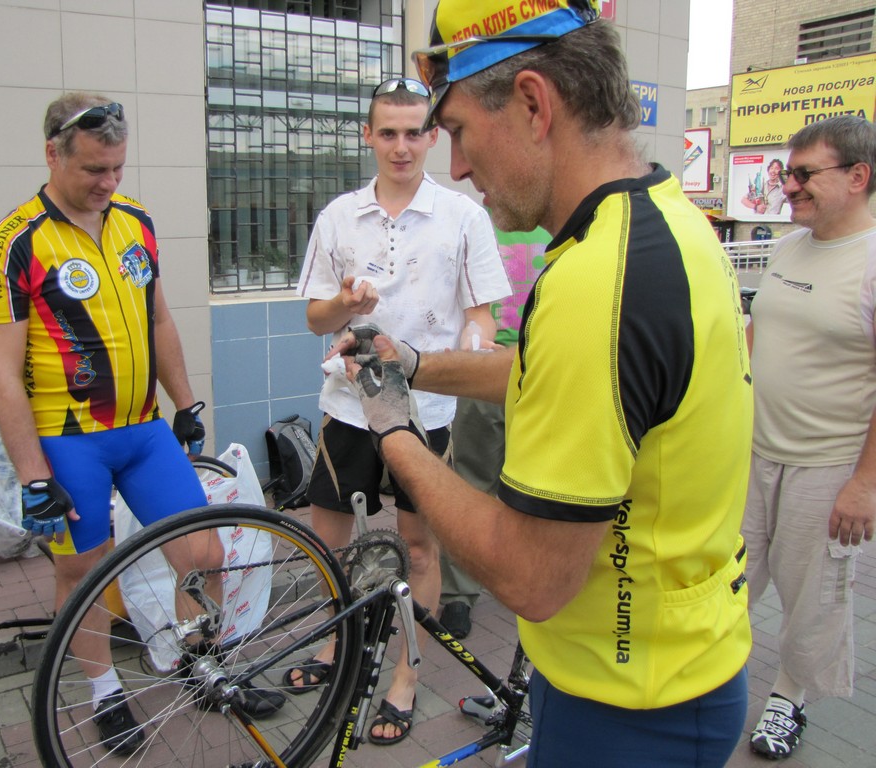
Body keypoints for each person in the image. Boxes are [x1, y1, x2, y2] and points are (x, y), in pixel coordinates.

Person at [333, 3, 754, 766]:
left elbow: (531, 577)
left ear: (533, 104)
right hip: (660, 669)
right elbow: (556, 374)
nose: (456, 167)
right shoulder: (662, 220)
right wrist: (415, 364)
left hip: (631, 707)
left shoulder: (599, 281)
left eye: (458, 130)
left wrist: (394, 432)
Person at [0, 92, 282, 757]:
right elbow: (0, 374)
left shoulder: (135, 221)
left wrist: (186, 403)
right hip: (68, 441)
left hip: (143, 432)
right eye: (94, 169)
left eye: (117, 168)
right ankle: (105, 692)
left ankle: (203, 668)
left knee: (204, 554)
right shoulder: (13, 244)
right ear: (53, 154)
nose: (109, 183)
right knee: (83, 573)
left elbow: (159, 318)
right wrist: (32, 476)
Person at [292, 77, 511, 744]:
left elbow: (481, 315)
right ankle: (334, 642)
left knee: (419, 546)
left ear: (433, 136)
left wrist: (474, 346)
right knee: (330, 543)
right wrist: (345, 305)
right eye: (387, 132)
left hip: (426, 406)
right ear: (368, 135)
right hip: (350, 402)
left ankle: (406, 676)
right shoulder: (339, 216)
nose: (401, 146)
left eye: (415, 132)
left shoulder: (463, 217)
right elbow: (315, 317)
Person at [741, 115, 876, 760]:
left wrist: (865, 483)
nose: (788, 186)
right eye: (786, 173)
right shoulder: (788, 248)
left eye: (803, 174)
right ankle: (704, 676)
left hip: (827, 467)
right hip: (752, 451)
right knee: (728, 574)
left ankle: (787, 698)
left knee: (811, 598)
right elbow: (756, 336)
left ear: (858, 176)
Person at [439, 229, 549, 640]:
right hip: (485, 370)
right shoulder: (475, 227)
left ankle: (537, 581)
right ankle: (458, 594)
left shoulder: (568, 227)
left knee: (545, 487)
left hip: (545, 371)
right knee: (471, 482)